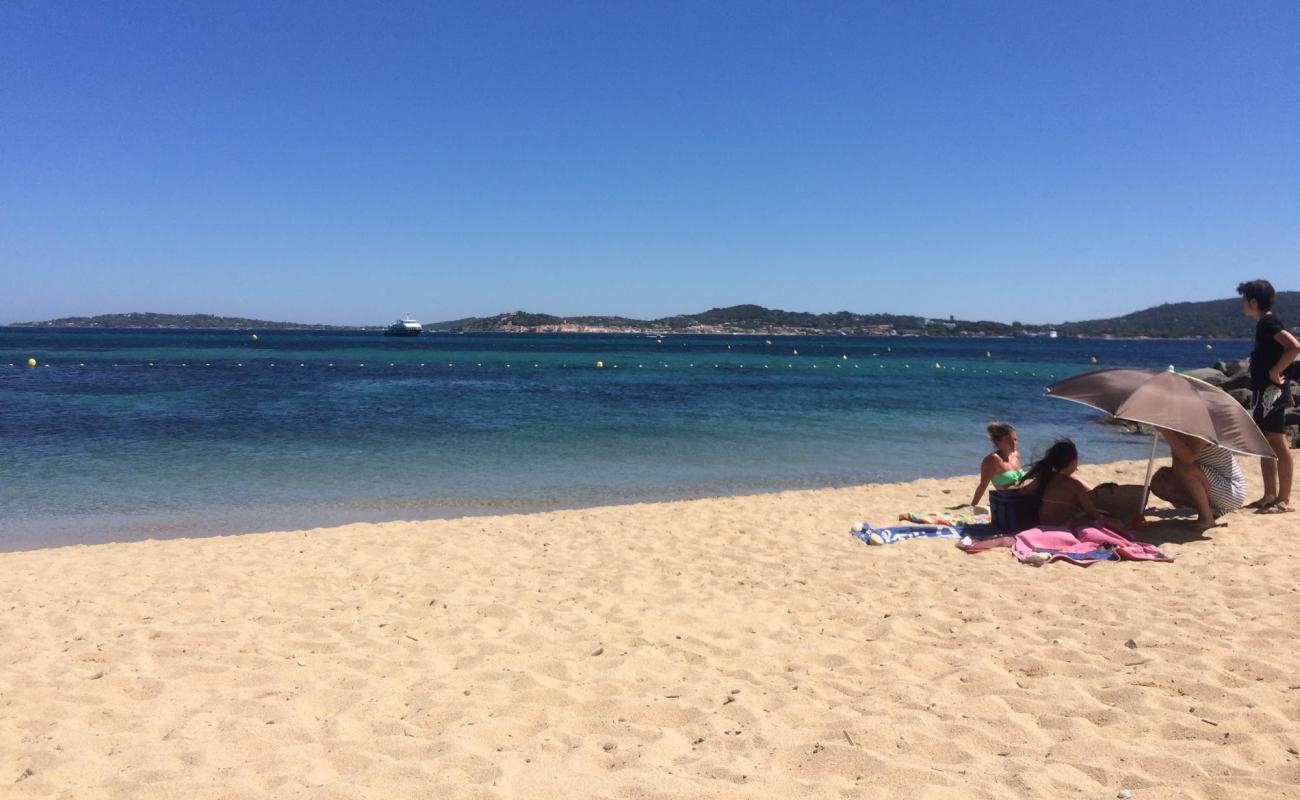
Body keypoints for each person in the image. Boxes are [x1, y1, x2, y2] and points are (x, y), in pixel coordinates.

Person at [1238, 280, 1300, 514]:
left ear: (1253, 302)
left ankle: (1283, 500)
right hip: (1264, 391)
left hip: (1271, 392)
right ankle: (1269, 495)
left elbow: (1294, 346)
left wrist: (1276, 371)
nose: (1242, 304)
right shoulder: (1264, 323)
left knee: (1278, 443)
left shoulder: (1269, 322)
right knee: (1265, 443)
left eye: (1244, 299)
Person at [1149, 427, 1246, 526]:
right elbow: (1177, 465)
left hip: (1231, 490)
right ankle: (1209, 509)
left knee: (1184, 468)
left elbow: (1188, 459)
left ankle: (1206, 518)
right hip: (1213, 483)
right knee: (1159, 481)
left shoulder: (1203, 428)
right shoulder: (1181, 429)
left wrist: (1167, 433)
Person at [1018, 439, 1097, 526]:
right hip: (1064, 527)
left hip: (1042, 524)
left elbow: (1022, 492)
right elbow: (1092, 513)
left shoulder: (1043, 478)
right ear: (1072, 462)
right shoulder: (1075, 485)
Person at [969, 423, 1023, 506]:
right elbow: (983, 485)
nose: (1014, 443)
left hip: (1024, 498)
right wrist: (973, 505)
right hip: (1008, 503)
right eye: (1009, 441)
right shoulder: (992, 460)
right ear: (998, 442)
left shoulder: (1016, 455)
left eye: (1015, 439)